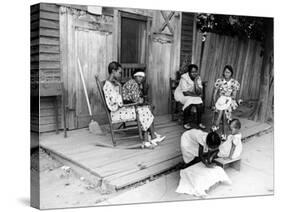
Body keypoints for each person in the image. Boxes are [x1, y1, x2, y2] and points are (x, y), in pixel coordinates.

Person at [103, 62, 163, 148]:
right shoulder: (108, 86)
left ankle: (150, 137)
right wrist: (120, 86)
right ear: (113, 71)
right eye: (119, 73)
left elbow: (119, 99)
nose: (120, 75)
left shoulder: (112, 83)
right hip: (116, 112)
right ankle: (149, 137)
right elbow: (118, 102)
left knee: (145, 109)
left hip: (120, 109)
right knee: (143, 110)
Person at [122, 69, 165, 146]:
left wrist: (142, 99)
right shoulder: (133, 84)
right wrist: (142, 101)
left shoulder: (135, 83)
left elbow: (138, 98)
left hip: (132, 105)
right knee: (147, 109)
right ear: (134, 76)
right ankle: (150, 135)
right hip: (128, 107)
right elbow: (137, 100)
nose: (141, 79)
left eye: (142, 77)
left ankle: (150, 134)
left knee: (147, 107)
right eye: (139, 76)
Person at [174, 64, 205, 130]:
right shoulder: (184, 77)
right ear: (189, 72)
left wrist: (196, 82)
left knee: (200, 104)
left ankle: (199, 122)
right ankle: (186, 122)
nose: (194, 73)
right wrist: (196, 95)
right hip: (181, 94)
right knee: (189, 102)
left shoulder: (198, 78)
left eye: (196, 71)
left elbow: (199, 92)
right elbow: (185, 92)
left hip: (192, 94)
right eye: (192, 72)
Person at [212, 65, 240, 129]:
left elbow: (234, 96)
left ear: (231, 73)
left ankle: (216, 125)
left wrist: (227, 97)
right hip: (220, 100)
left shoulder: (234, 83)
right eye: (225, 72)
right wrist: (214, 102)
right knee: (221, 107)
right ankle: (222, 123)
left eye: (228, 72)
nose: (227, 74)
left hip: (230, 101)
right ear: (223, 72)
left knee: (223, 108)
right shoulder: (219, 81)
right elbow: (215, 93)